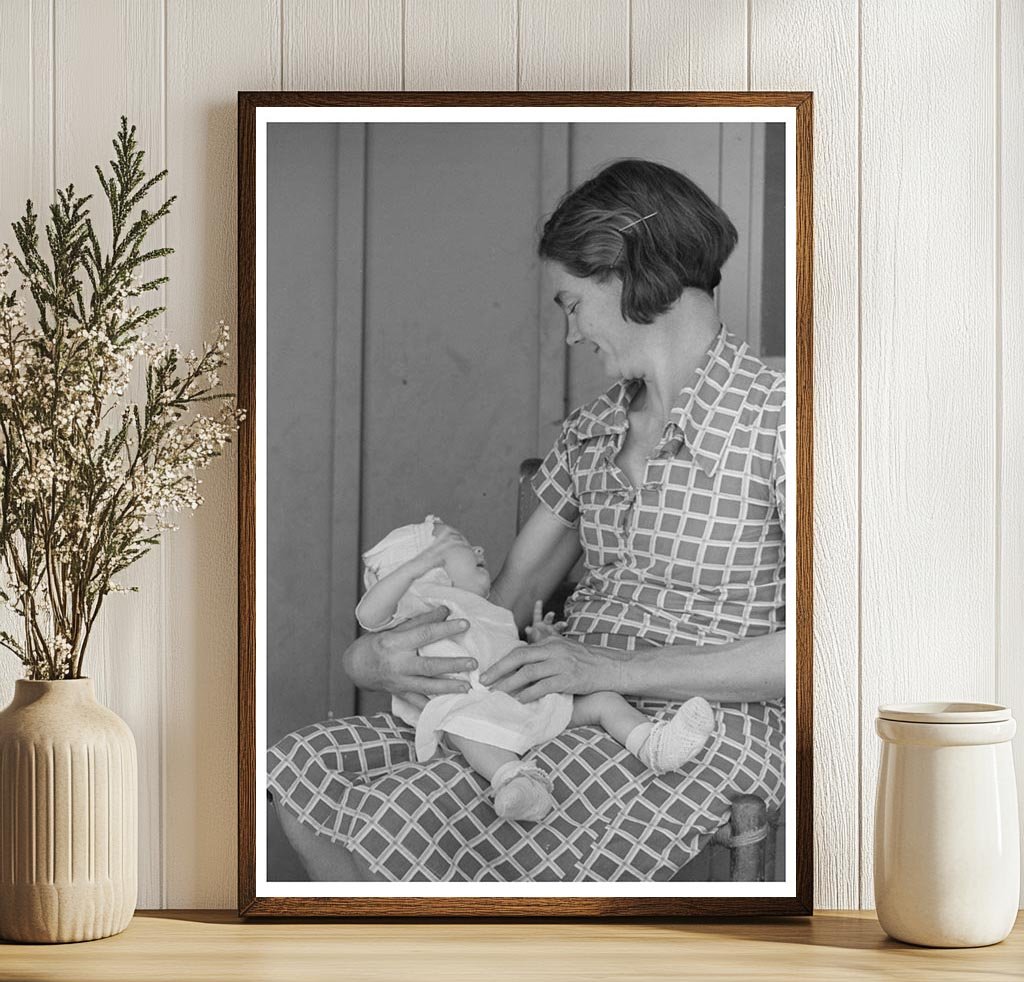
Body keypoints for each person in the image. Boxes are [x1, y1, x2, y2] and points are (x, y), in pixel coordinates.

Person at [268, 157, 786, 883]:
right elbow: (497, 609)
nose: (571, 335)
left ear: (630, 275)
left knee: (488, 826)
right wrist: (369, 659)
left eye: (572, 304)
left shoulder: (783, 416)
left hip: (700, 726)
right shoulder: (591, 433)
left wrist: (604, 667)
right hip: (554, 702)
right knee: (306, 770)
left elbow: (822, 652)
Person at [356, 514, 716, 822]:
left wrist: (541, 642)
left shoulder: (481, 610)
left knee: (604, 700)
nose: (479, 550)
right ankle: (515, 781)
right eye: (460, 544)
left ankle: (654, 744)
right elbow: (368, 615)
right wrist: (417, 566)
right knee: (462, 729)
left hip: (525, 699)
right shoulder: (423, 604)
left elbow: (504, 652)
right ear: (428, 568)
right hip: (473, 709)